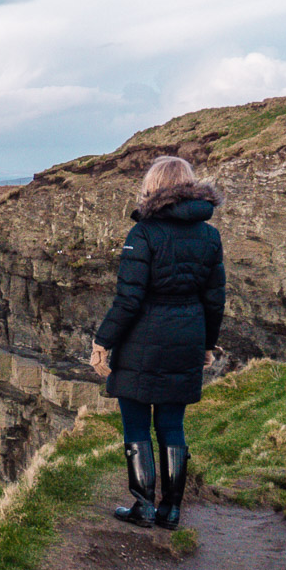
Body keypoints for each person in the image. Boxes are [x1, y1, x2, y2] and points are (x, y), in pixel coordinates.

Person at [88, 155, 226, 529]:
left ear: (154, 186)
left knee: (136, 423)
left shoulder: (144, 233)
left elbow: (128, 298)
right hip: (188, 335)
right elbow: (214, 299)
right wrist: (207, 345)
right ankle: (173, 510)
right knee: (172, 423)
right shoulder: (210, 235)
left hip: (143, 338)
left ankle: (144, 507)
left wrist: (102, 342)